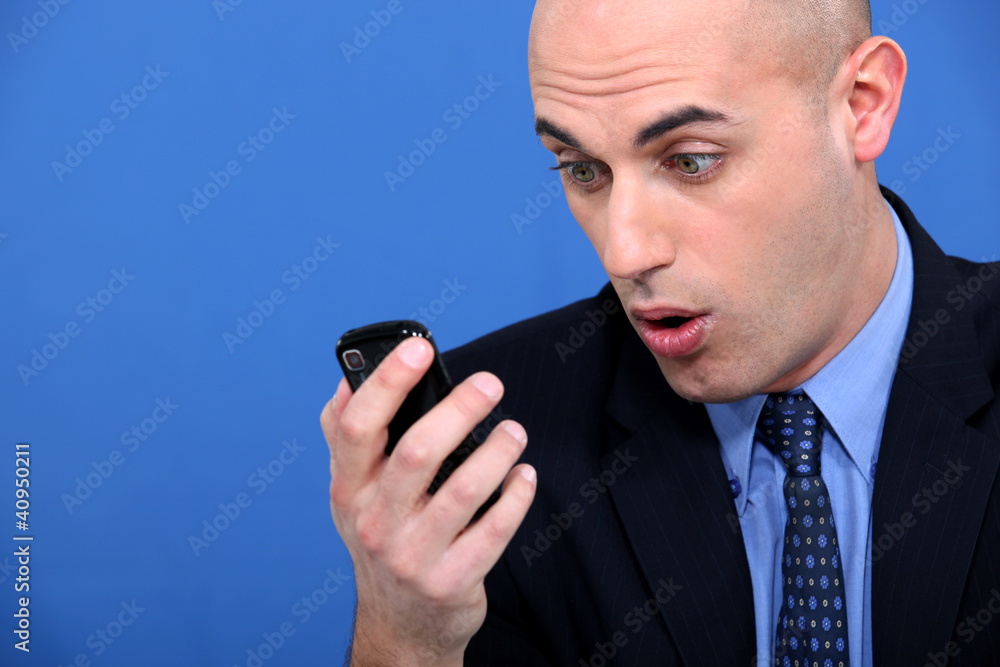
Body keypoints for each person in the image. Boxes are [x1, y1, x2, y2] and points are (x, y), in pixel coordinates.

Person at [321, 0, 1000, 664]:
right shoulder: (491, 457)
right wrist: (406, 640)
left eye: (691, 160)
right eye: (582, 169)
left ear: (863, 103)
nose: (625, 251)